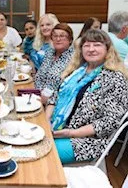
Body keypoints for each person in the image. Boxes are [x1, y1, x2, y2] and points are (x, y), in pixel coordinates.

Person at [46, 29, 128, 164]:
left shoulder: (115, 77)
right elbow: (54, 96)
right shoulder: (76, 71)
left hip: (87, 141)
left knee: (44, 153)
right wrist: (46, 119)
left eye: (97, 45)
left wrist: (71, 133)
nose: (91, 49)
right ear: (81, 49)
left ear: (108, 49)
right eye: (87, 45)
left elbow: (110, 121)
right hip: (58, 128)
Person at [35, 23, 74, 104]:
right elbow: (39, 76)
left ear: (70, 39)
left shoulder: (74, 58)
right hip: (38, 97)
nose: (58, 39)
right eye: (55, 36)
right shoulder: (49, 52)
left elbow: (70, 90)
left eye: (62, 36)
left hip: (57, 104)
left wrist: (48, 100)